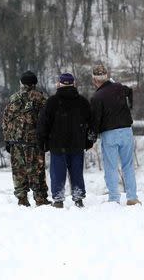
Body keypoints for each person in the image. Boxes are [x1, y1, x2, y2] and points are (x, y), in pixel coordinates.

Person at [37, 73, 94, 208]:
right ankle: (78, 198)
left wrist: (42, 143)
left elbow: (42, 124)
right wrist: (89, 141)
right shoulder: (82, 102)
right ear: (74, 84)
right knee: (76, 172)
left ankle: (58, 199)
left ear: (59, 84)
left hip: (57, 145)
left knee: (57, 173)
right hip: (77, 145)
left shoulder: (51, 102)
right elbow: (91, 123)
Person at [90, 64, 141, 206]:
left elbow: (95, 120)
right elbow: (129, 91)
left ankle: (114, 198)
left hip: (109, 133)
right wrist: (129, 106)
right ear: (107, 76)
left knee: (111, 166)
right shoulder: (119, 87)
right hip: (126, 130)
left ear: (94, 80)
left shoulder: (96, 97)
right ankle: (132, 197)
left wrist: (91, 138)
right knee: (128, 165)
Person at [1, 71, 51, 207]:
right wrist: (46, 139)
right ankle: (40, 198)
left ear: (21, 83)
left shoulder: (13, 98)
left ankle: (22, 199)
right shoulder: (40, 98)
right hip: (34, 142)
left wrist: (7, 139)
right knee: (37, 170)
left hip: (15, 142)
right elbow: (46, 120)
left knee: (18, 172)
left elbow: (5, 120)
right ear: (35, 83)